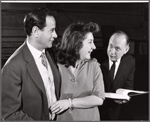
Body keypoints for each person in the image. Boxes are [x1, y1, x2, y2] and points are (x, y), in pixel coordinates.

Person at [1, 7, 61, 121]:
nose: (56, 35)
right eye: (51, 30)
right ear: (35, 32)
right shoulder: (13, 66)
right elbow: (9, 114)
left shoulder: (50, 53)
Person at [49, 21, 105, 121]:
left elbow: (99, 99)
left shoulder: (94, 66)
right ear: (76, 43)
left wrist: (69, 103)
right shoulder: (56, 66)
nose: (94, 47)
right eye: (90, 42)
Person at [100, 31, 135, 120]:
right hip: (97, 110)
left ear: (126, 50)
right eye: (110, 46)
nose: (112, 52)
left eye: (117, 49)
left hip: (117, 113)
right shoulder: (97, 57)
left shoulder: (130, 61)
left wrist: (126, 98)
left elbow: (128, 87)